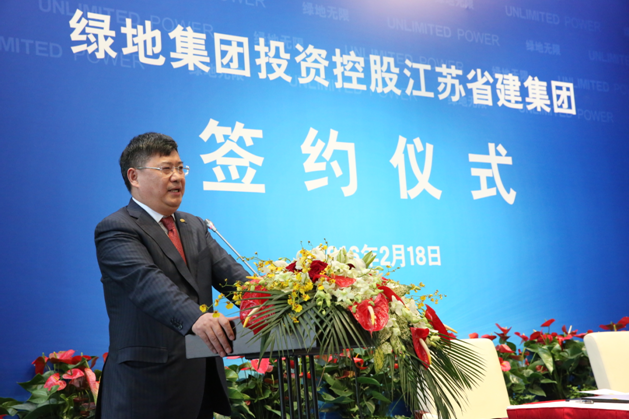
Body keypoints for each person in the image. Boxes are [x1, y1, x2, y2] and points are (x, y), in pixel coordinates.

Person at [94, 132, 248, 418]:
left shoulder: (194, 226)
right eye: (166, 169)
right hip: (144, 388)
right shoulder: (117, 228)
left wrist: (278, 303)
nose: (177, 177)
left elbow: (234, 278)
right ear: (134, 176)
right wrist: (196, 318)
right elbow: (146, 283)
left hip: (199, 385)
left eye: (180, 168)